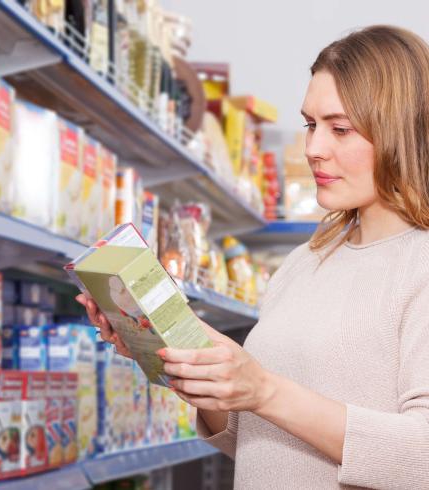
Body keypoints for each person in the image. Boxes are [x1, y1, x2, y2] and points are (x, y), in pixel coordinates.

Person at [77, 25, 429, 489]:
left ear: (401, 132)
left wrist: (264, 390)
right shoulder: (304, 262)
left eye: (340, 128)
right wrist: (189, 361)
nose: (314, 149)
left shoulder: (418, 266)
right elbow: (252, 438)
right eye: (310, 124)